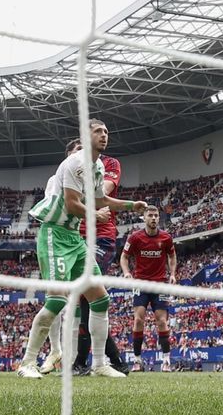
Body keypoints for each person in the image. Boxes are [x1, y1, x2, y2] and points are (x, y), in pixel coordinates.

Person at [15, 119, 147, 378]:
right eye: (98, 131)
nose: (104, 135)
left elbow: (99, 199)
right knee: (55, 302)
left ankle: (99, 364)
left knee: (100, 298)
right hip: (55, 234)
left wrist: (132, 205)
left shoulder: (97, 165)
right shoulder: (75, 163)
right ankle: (27, 363)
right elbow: (73, 203)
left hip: (75, 238)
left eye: (107, 131)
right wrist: (95, 215)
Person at [72, 149, 129, 374]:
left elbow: (102, 192)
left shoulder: (110, 163)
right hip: (75, 238)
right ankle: (113, 361)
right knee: (87, 300)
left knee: (90, 296)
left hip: (101, 237)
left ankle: (84, 362)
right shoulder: (71, 166)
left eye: (103, 132)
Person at [120, 205, 177, 369]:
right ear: (144, 218)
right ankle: (137, 360)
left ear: (159, 218)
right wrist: (126, 272)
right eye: (150, 215)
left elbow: (172, 256)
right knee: (138, 320)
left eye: (156, 215)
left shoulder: (166, 238)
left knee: (162, 321)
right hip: (140, 283)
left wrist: (172, 274)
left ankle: (166, 361)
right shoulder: (135, 238)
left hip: (160, 284)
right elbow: (124, 257)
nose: (153, 218)